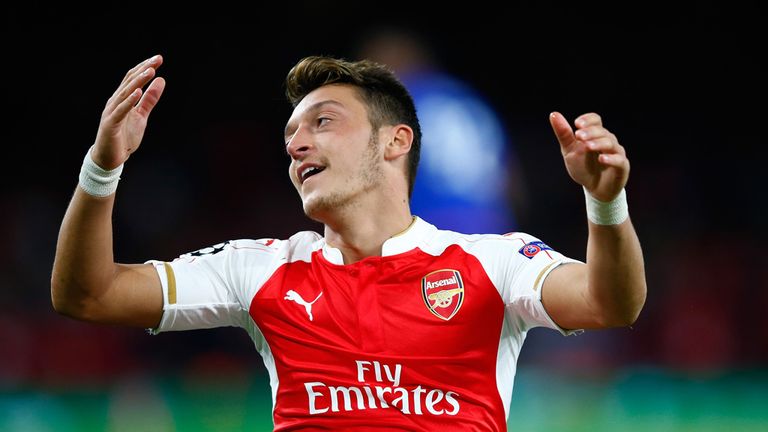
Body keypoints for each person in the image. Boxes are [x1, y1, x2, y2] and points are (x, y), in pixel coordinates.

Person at [51, 54, 647, 431]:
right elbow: (87, 294)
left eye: (323, 121)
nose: (297, 143)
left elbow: (611, 304)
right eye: (291, 133)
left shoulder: (493, 262)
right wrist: (103, 167)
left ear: (394, 142)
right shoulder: (259, 270)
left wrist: (606, 203)